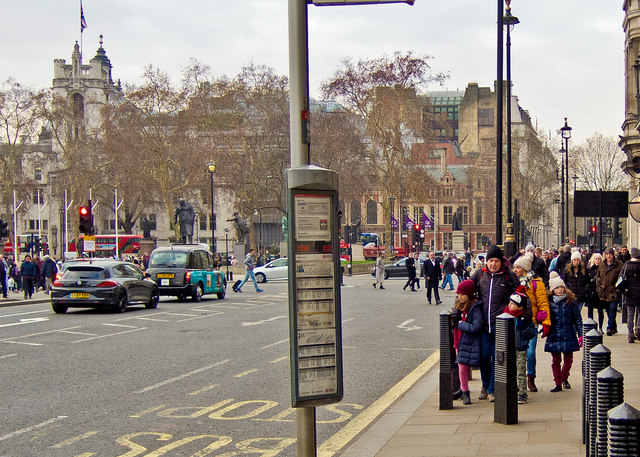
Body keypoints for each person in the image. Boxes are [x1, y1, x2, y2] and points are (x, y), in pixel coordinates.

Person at [471, 244, 519, 402]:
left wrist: (511, 311)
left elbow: (519, 297)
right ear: (486, 261)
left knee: (497, 357)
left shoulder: (508, 276)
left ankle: (492, 389)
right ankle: (485, 385)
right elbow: (465, 292)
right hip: (484, 325)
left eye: (496, 261)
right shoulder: (479, 275)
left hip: (501, 325)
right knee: (484, 357)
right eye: (490, 260)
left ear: (501, 261)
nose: (493, 264)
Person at [513, 252, 551, 393]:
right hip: (515, 323)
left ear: (525, 268)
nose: (515, 269)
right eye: (514, 267)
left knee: (530, 353)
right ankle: (518, 379)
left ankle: (531, 377)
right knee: (516, 353)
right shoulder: (512, 282)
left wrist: (546, 323)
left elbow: (543, 304)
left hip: (531, 323)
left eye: (518, 267)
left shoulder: (536, 284)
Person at [545, 271, 583, 392]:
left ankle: (564, 377)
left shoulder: (571, 302)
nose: (560, 289)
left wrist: (581, 334)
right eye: (557, 288)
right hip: (554, 334)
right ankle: (558, 382)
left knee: (568, 359)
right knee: (555, 360)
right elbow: (545, 318)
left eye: (561, 287)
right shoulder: (548, 303)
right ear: (552, 290)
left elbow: (577, 319)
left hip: (568, 333)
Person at [451, 279, 483, 405]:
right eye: (458, 294)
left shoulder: (475, 308)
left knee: (465, 366)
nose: (460, 297)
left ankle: (485, 389)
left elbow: (476, 326)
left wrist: (460, 324)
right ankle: (464, 391)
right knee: (461, 367)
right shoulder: (458, 306)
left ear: (469, 294)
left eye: (463, 294)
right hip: (458, 340)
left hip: (470, 341)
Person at [503, 285, 536, 404]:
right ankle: (513, 390)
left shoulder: (524, 319)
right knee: (510, 371)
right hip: (508, 349)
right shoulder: (505, 316)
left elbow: (532, 333)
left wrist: (523, 329)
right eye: (509, 303)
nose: (509, 305)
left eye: (512, 304)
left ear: (520, 307)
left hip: (520, 348)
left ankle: (522, 393)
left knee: (521, 371)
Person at [596, 247, 624, 336]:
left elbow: (622, 278)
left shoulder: (619, 265)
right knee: (608, 310)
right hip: (604, 292)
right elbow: (598, 278)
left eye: (610, 254)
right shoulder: (602, 265)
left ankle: (609, 328)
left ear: (613, 255)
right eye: (607, 254)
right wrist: (599, 288)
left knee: (612, 310)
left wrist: (618, 289)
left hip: (614, 292)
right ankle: (613, 327)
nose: (608, 256)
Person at [619, 247, 640, 343]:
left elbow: (621, 280)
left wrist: (624, 290)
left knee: (630, 314)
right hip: (639, 292)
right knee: (639, 313)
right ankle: (638, 329)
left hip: (630, 292)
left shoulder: (626, 266)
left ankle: (630, 333)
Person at [587, 253, 606, 331]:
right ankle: (591, 327)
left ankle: (600, 327)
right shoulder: (589, 269)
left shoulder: (603, 270)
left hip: (599, 292)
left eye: (599, 259)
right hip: (591, 292)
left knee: (600, 310)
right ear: (593, 260)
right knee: (590, 310)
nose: (597, 261)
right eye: (596, 259)